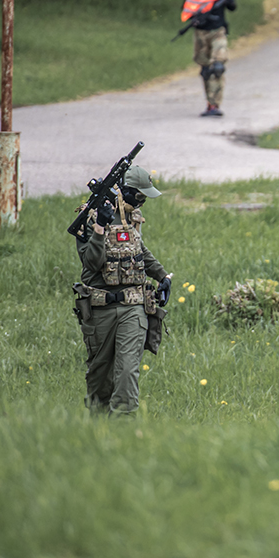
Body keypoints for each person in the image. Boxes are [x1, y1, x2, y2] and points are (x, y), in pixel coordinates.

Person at [72, 165, 171, 415]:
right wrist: (99, 228)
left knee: (127, 371)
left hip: (133, 307)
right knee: (100, 380)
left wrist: (162, 275)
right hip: (100, 310)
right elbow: (91, 263)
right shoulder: (90, 217)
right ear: (123, 191)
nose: (141, 203)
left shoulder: (133, 217)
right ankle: (98, 429)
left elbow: (138, 250)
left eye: (144, 198)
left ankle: (126, 428)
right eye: (138, 196)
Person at [181, 0, 237, 117]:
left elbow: (233, 7)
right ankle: (209, 104)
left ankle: (216, 105)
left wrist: (228, 1)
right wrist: (195, 18)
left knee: (218, 67)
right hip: (200, 33)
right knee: (206, 70)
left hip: (218, 31)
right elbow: (186, 9)